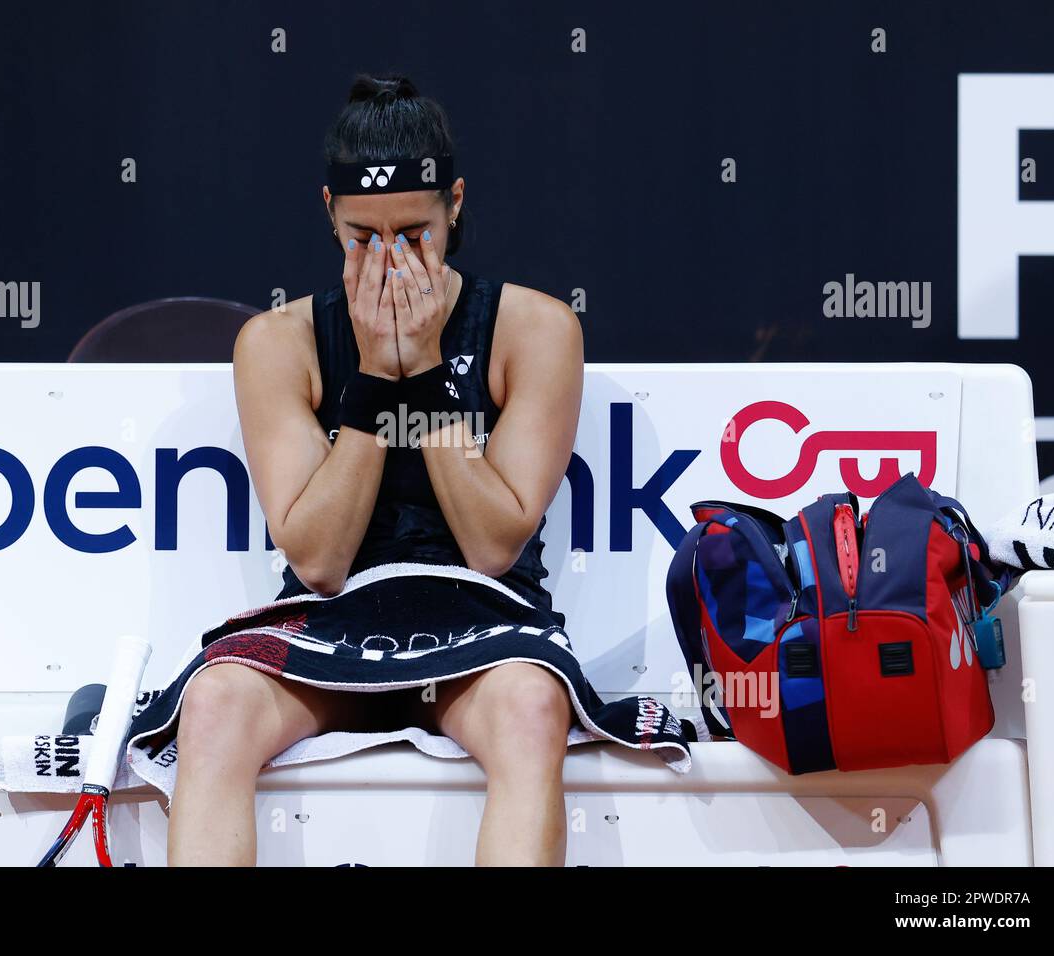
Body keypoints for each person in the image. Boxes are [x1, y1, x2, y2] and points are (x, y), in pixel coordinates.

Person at [151, 73, 690, 867]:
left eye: (415, 232)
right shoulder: (277, 343)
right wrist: (371, 380)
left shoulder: (534, 328)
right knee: (216, 702)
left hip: (483, 620)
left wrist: (430, 369)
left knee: (533, 708)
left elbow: (492, 546)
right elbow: (318, 559)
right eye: (364, 237)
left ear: (457, 205)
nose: (391, 259)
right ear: (329, 214)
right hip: (333, 625)